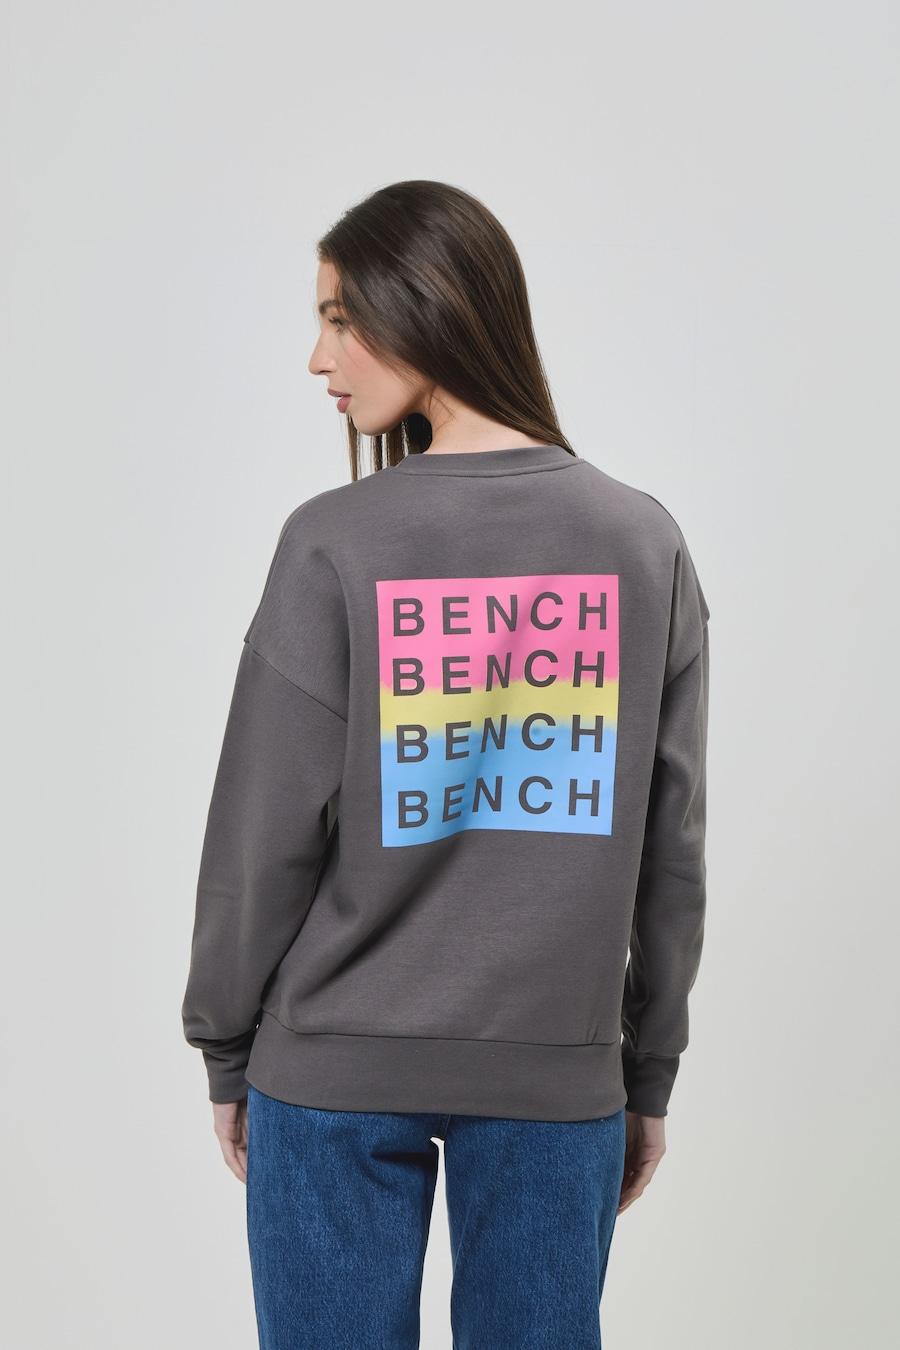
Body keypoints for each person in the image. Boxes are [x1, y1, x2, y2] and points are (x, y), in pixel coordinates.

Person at [181, 179, 710, 1350]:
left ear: (420, 305)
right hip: (557, 1071)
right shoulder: (643, 543)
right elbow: (669, 849)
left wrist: (225, 1042)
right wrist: (647, 1065)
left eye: (339, 317)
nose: (319, 358)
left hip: (330, 1071)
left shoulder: (335, 541)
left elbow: (261, 832)